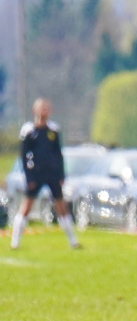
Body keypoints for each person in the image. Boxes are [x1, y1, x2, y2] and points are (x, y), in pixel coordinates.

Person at [10, 98, 81, 250]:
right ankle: (15, 242)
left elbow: (58, 153)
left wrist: (61, 174)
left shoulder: (53, 130)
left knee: (61, 206)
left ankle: (73, 241)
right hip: (36, 175)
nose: (44, 111)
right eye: (42, 109)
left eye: (46, 109)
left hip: (52, 174)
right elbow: (24, 156)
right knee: (26, 206)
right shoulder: (29, 131)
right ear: (34, 111)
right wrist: (29, 176)